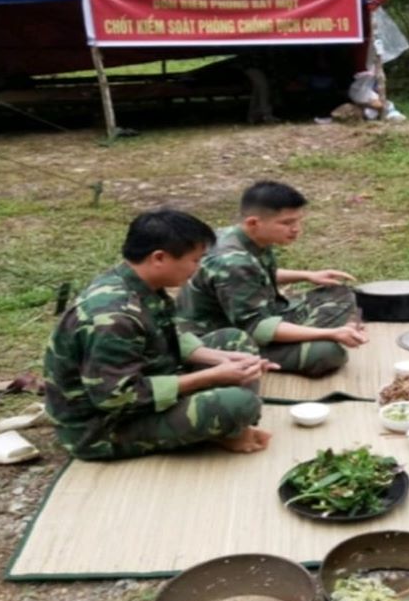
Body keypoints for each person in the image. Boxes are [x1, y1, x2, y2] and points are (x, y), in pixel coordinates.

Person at [44, 210, 275, 461]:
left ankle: (224, 422)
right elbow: (117, 398)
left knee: (235, 341)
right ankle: (226, 424)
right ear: (159, 258)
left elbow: (167, 334)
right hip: (105, 427)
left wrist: (221, 359)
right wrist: (211, 376)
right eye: (195, 260)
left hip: (149, 378)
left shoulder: (133, 281)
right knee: (238, 404)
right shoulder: (113, 317)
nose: (197, 269)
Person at [176, 180, 368, 377]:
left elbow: (256, 275)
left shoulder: (243, 236)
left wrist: (308, 276)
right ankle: (300, 340)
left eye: (298, 221)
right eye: (287, 223)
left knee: (338, 292)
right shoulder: (231, 261)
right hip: (225, 336)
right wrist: (330, 333)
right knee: (327, 353)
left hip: (259, 313)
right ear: (253, 222)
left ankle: (303, 334)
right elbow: (256, 327)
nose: (296, 229)